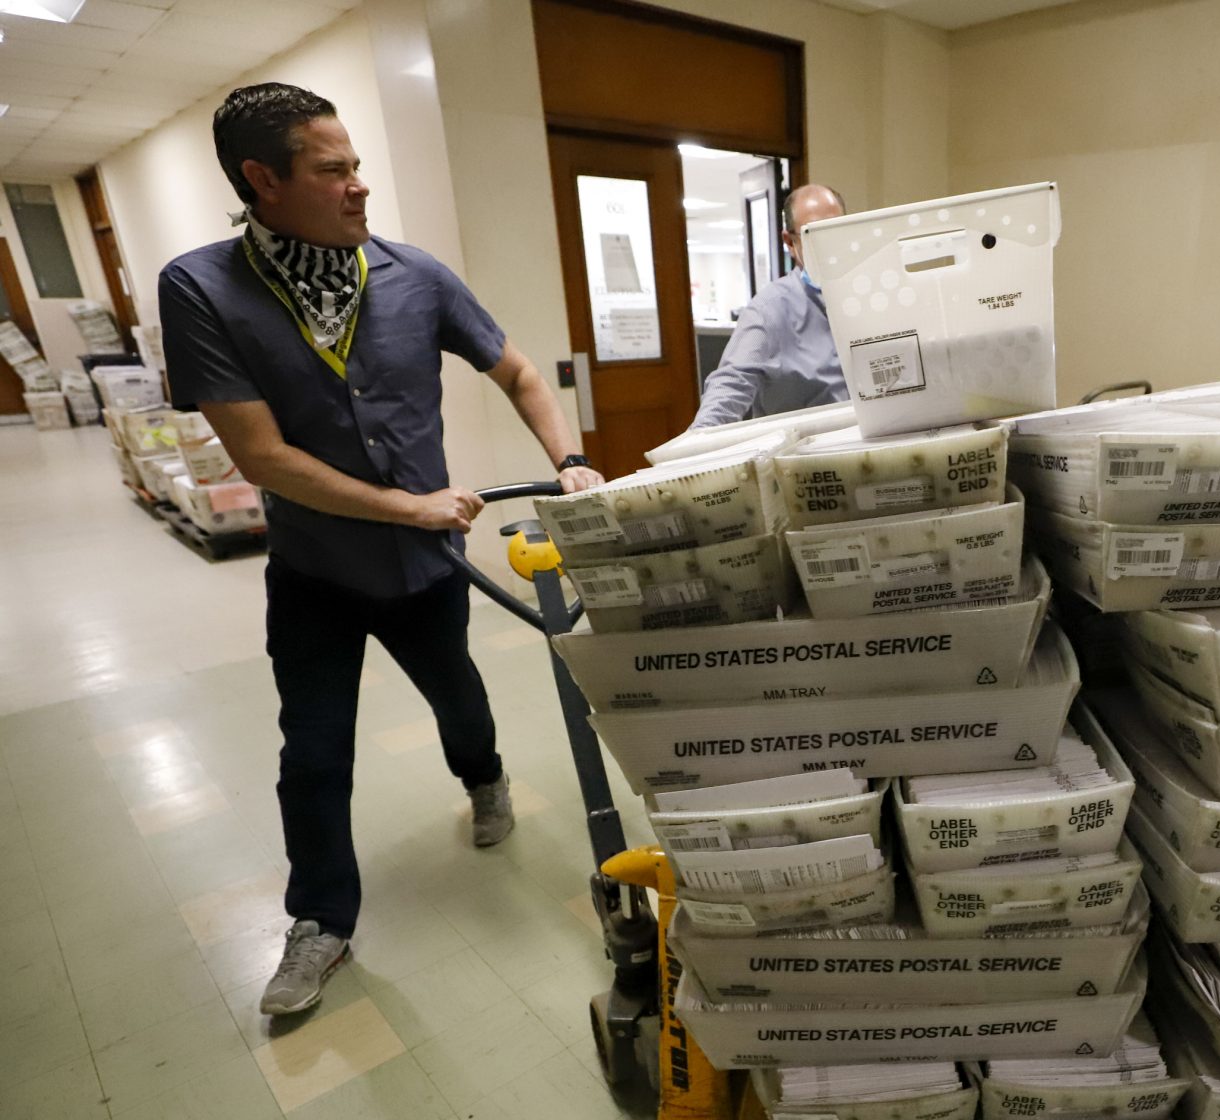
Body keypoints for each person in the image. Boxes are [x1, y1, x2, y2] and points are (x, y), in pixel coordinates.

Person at [158, 83, 605, 1016]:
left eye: (357, 165)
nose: (360, 186)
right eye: (334, 170)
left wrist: (568, 459)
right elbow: (262, 456)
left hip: (424, 572)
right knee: (313, 753)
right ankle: (321, 921)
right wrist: (410, 507)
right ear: (261, 180)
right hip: (316, 572)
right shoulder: (201, 288)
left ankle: (484, 781)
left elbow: (518, 368)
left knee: (460, 699)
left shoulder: (414, 276)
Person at [688, 184, 848, 428]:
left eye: (836, 231)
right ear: (790, 242)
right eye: (814, 233)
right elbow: (732, 383)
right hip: (805, 456)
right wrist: (696, 447)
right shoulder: (769, 310)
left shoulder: (868, 295)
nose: (830, 245)